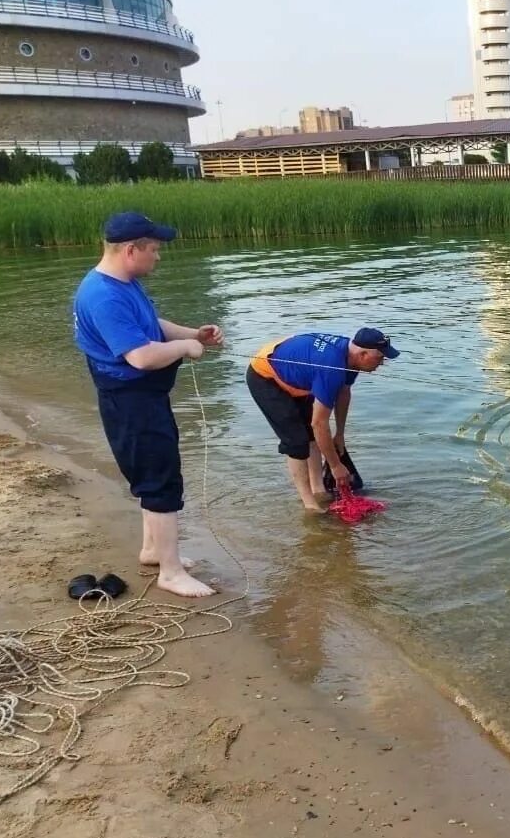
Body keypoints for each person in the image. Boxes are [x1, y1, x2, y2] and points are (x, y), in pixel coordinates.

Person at [72, 212, 222, 599]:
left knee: (155, 472)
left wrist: (193, 333)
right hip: (130, 401)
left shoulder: (122, 284)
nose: (158, 256)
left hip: (143, 398)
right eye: (153, 249)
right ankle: (170, 573)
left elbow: (148, 323)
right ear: (130, 249)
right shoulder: (102, 295)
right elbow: (140, 355)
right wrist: (186, 349)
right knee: (160, 478)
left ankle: (154, 550)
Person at [247, 328, 399, 510]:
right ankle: (309, 504)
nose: (381, 363)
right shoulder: (331, 368)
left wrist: (340, 434)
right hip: (265, 375)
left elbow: (343, 392)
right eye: (380, 358)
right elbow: (319, 423)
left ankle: (318, 489)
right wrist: (335, 466)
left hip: (300, 373)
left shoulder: (349, 359)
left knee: (312, 435)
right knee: (296, 441)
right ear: (362, 354)